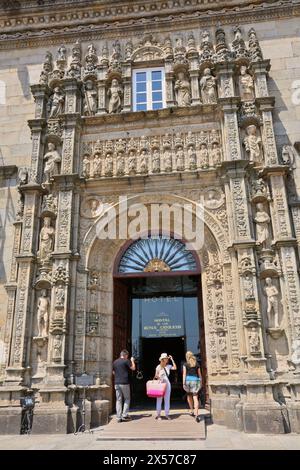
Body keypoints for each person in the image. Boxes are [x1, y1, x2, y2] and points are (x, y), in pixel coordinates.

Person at [112, 350, 136, 423]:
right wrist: (132, 361)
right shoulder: (126, 360)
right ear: (126, 355)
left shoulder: (115, 362)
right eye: (127, 356)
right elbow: (133, 368)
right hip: (124, 382)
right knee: (127, 398)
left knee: (118, 400)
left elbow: (113, 372)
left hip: (116, 383)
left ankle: (118, 417)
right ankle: (125, 415)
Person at [154, 353, 177, 420]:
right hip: (160, 383)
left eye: (167, 358)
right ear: (163, 359)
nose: (167, 359)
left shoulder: (168, 366)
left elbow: (175, 368)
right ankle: (158, 415)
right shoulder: (158, 367)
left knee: (167, 400)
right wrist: (159, 377)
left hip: (167, 384)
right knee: (159, 400)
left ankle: (167, 414)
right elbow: (155, 375)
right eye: (166, 358)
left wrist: (172, 359)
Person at [182, 351, 202, 422]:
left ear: (187, 356)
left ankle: (191, 410)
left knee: (189, 396)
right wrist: (201, 382)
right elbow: (199, 374)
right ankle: (196, 414)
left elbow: (184, 374)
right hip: (196, 381)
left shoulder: (185, 364)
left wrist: (183, 383)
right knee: (195, 397)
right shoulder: (196, 364)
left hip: (188, 381)